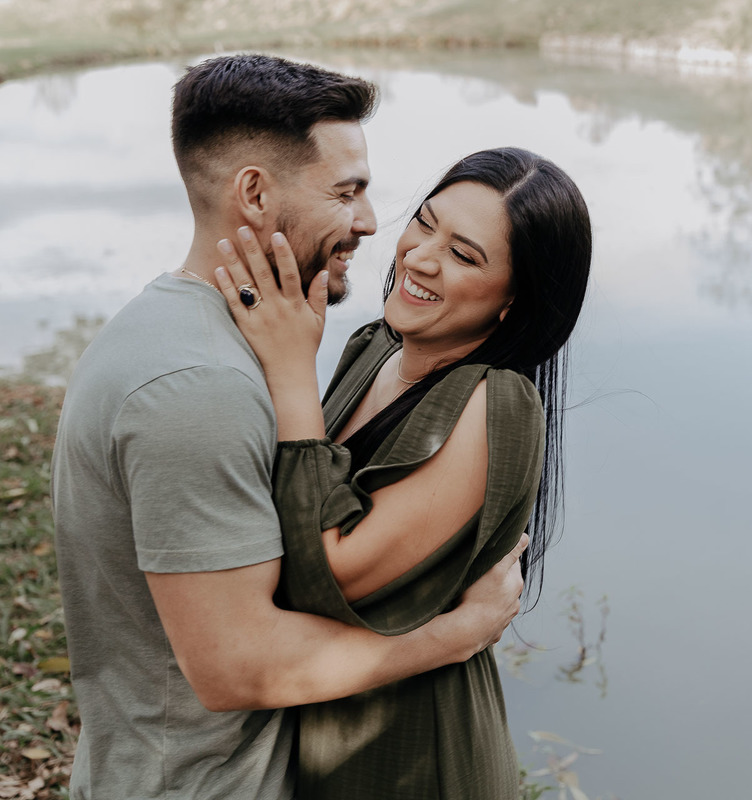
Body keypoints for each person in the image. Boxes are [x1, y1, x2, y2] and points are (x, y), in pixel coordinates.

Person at [50, 54, 526, 800]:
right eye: (347, 192)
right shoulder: (198, 388)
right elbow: (241, 666)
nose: (374, 224)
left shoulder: (176, 334)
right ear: (255, 193)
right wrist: (454, 637)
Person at [211, 146, 592, 798]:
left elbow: (326, 573)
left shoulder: (494, 403)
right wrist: (245, 292)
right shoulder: (374, 346)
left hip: (412, 754)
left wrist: (292, 373)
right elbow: (294, 486)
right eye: (425, 221)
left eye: (464, 255)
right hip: (323, 721)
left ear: (514, 303)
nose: (418, 256)